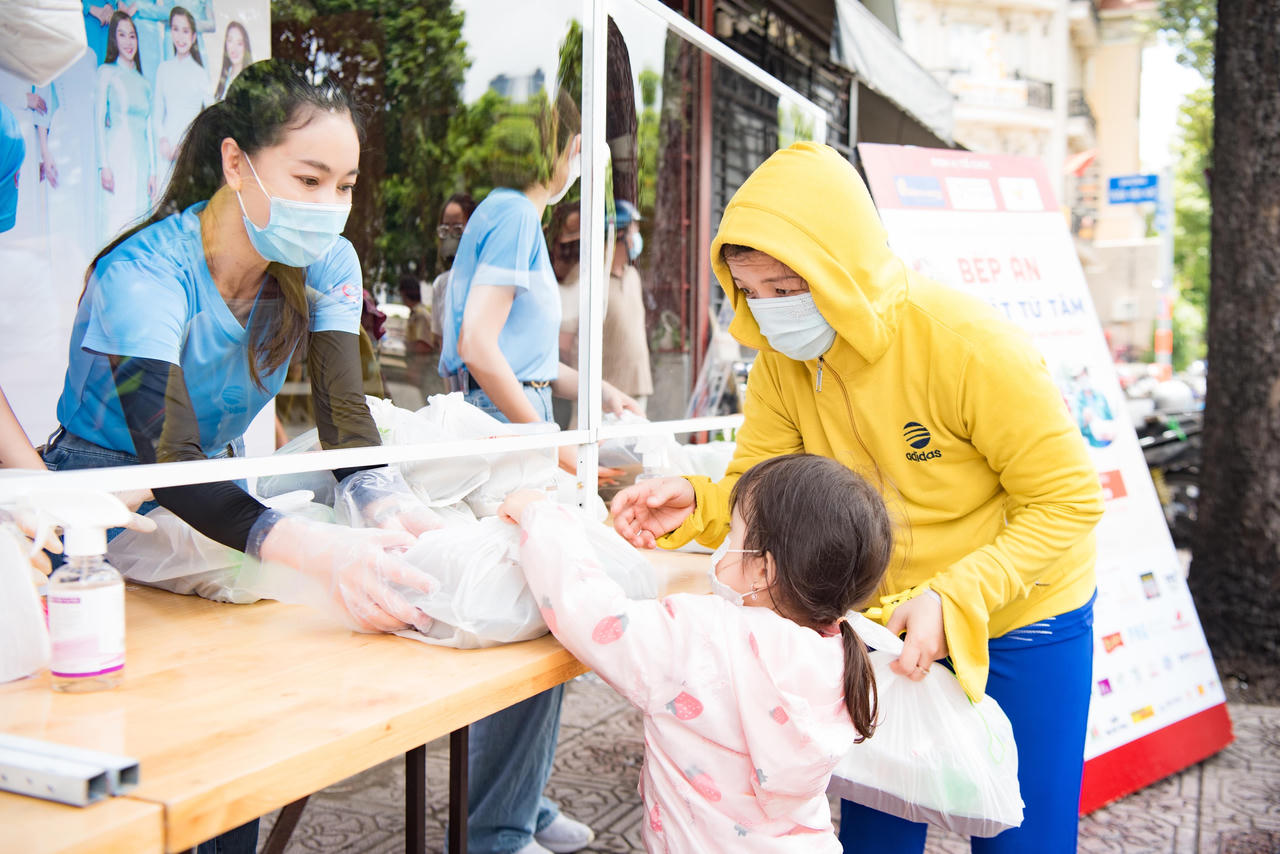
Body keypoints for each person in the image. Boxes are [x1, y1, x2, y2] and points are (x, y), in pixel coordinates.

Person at [611, 142, 1106, 854]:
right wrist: (699, 504)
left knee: (1023, 838)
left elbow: (1067, 501)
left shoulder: (969, 346)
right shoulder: (781, 363)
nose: (770, 312)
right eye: (752, 292)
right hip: (880, 624)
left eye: (788, 288)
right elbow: (762, 489)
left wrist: (956, 597)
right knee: (878, 834)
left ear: (843, 268)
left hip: (1024, 615)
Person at [43, 59, 442, 854]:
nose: (329, 207)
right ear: (236, 162)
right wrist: (317, 549)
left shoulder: (326, 263)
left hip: (217, 490)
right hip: (108, 505)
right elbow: (171, 459)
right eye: (308, 179)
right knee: (151, 739)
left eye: (345, 185)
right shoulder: (141, 275)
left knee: (233, 730)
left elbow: (343, 415)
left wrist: (386, 504)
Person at [500, 453, 892, 852]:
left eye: (733, 536)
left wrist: (542, 516)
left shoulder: (704, 635)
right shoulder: (843, 652)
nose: (724, 548)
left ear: (763, 570)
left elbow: (593, 616)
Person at [438, 90, 639, 472]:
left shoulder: (502, 211)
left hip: (505, 412)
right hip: (507, 417)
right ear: (570, 148)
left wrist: (602, 392)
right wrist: (556, 451)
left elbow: (527, 362)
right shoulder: (515, 215)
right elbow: (476, 346)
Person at [95, 11, 156, 244]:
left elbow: (150, 129)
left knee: (137, 222)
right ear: (114, 39)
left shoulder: (144, 82)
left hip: (141, 161)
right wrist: (104, 165)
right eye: (122, 35)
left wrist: (153, 172)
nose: (128, 42)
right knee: (115, 221)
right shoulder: (106, 73)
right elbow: (98, 121)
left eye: (132, 35)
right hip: (116, 158)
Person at [602, 199, 653, 413]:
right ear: (619, 234)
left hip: (638, 384)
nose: (637, 237)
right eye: (634, 230)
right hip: (605, 393)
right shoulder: (591, 277)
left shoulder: (632, 276)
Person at [151, 6, 208, 192]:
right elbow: (157, 113)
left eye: (185, 31)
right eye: (176, 29)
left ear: (193, 36)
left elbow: (210, 114)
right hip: (165, 152)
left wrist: (187, 144)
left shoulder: (200, 73)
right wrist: (163, 139)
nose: (180, 37)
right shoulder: (163, 69)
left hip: (190, 148)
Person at [426, 191, 475, 398]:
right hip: (456, 396)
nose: (450, 236)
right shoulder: (442, 284)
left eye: (458, 229)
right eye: (445, 229)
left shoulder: (485, 279)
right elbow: (442, 346)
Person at [212, 21, 250, 101]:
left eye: (239, 43)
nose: (234, 49)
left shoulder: (250, 79)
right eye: (230, 41)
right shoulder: (224, 76)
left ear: (245, 46)